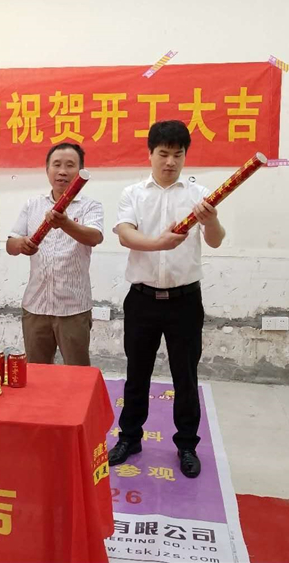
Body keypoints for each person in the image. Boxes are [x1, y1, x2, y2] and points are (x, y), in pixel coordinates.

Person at [107, 120, 226, 478]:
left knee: (185, 376)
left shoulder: (199, 195)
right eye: (163, 154)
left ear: (185, 156)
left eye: (178, 154)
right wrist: (158, 243)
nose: (170, 161)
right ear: (150, 154)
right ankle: (130, 438)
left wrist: (212, 220)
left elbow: (216, 240)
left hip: (184, 301)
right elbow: (125, 234)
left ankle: (186, 444)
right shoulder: (133, 194)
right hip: (142, 299)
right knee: (136, 373)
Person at [6, 143, 103, 366]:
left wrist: (65, 223)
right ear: (47, 169)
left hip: (73, 308)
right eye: (57, 165)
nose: (62, 171)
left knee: (77, 373)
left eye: (70, 165)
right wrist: (21, 244)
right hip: (36, 305)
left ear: (80, 171)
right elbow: (10, 244)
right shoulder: (33, 204)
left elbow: (94, 237)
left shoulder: (90, 206)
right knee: (37, 373)